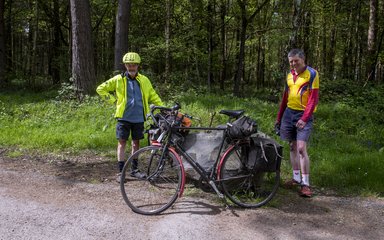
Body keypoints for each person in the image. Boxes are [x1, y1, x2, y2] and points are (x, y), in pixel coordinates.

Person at [96, 52, 163, 182]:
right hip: (124, 117)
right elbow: (101, 89)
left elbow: (152, 95)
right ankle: (121, 172)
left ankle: (134, 170)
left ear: (138, 65)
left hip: (139, 118)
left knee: (136, 143)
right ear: (125, 65)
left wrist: (162, 107)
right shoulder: (118, 79)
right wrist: (113, 101)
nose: (131, 67)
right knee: (122, 143)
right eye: (128, 65)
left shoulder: (144, 80)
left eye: (134, 65)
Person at [275, 48, 319, 197]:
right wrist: (279, 118)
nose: (293, 64)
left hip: (303, 114)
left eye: (296, 61)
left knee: (301, 148)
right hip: (289, 113)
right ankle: (295, 178)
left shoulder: (312, 74)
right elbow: (284, 99)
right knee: (292, 146)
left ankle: (305, 184)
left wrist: (304, 118)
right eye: (291, 62)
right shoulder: (289, 75)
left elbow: (313, 99)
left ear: (303, 59)